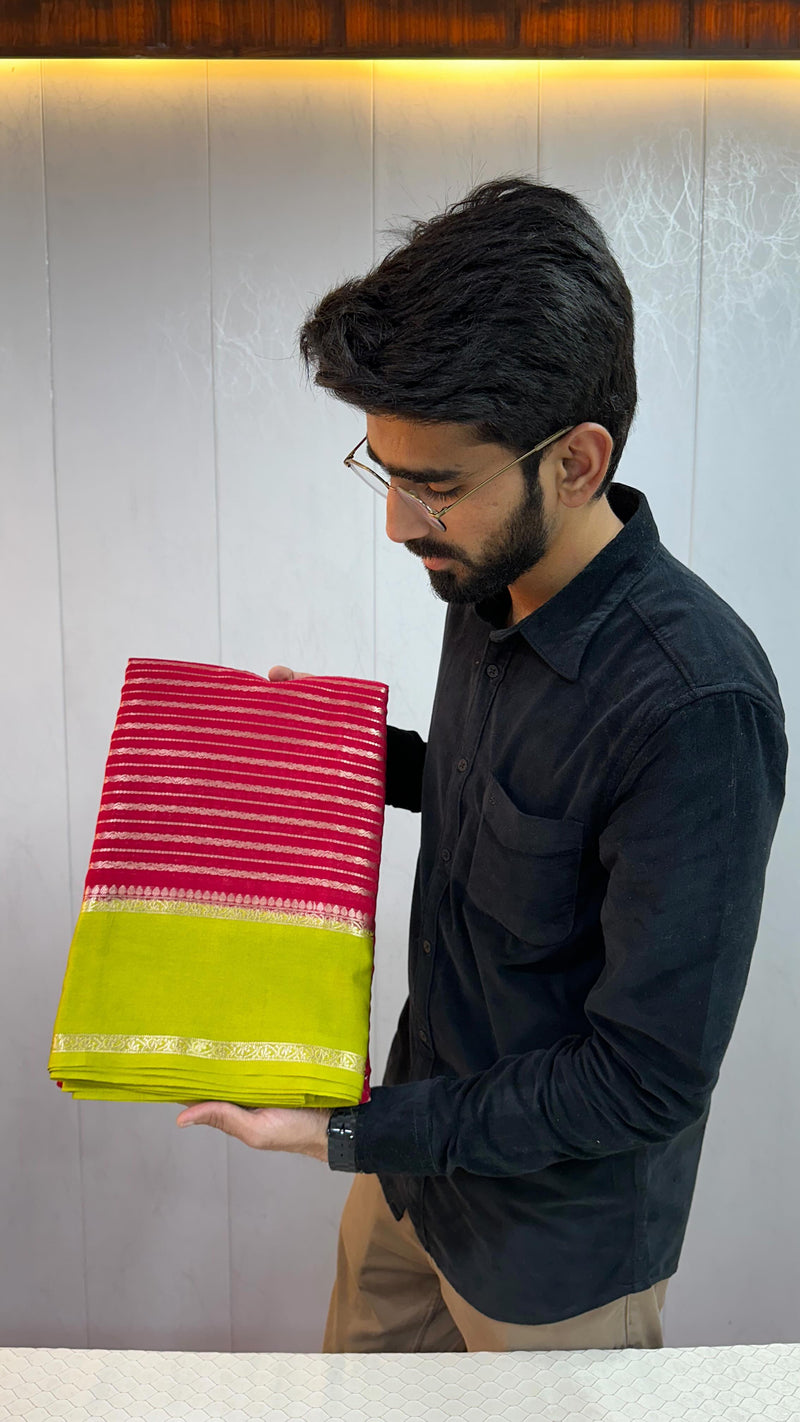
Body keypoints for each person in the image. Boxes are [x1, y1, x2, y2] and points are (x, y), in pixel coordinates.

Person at [176, 177, 788, 1353]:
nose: (399, 523)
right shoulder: (486, 579)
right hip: (408, 1173)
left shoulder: (696, 708)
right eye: (384, 470)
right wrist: (342, 755)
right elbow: (491, 802)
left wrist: (346, 1131)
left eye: (436, 486)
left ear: (575, 460)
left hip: (549, 1257)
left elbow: (642, 1081)